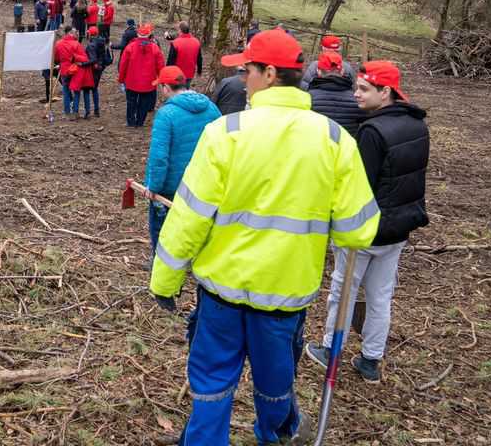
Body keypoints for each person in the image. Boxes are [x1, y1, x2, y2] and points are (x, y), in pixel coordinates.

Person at [149, 28, 379, 446]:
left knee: (212, 382)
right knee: (275, 382)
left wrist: (165, 280)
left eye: (248, 71)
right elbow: (359, 228)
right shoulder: (334, 140)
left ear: (270, 74)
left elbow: (188, 217)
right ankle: (276, 432)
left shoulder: (226, 133)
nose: (242, 80)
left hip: (222, 292)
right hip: (285, 295)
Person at [306, 60, 428, 384]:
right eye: (356, 87)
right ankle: (371, 359)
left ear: (385, 92)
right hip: (398, 229)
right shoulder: (418, 126)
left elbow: (359, 186)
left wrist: (339, 220)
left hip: (366, 230)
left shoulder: (372, 132)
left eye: (363, 89)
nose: (355, 95)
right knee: (380, 295)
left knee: (342, 290)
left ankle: (331, 349)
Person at [143, 66, 220, 250]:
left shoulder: (166, 115)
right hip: (202, 183)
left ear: (166, 88)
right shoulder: (211, 108)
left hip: (171, 188)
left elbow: (159, 157)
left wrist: (154, 187)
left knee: (162, 232)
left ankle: (162, 265)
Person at [305, 51, 363, 136]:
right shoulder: (358, 100)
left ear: (318, 71)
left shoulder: (306, 99)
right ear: (342, 71)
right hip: (348, 148)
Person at [118, 23, 165, 127]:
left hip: (131, 81)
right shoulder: (155, 48)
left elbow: (123, 65)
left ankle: (131, 122)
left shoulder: (130, 47)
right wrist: (161, 80)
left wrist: (121, 80)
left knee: (131, 102)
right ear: (149, 34)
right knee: (144, 104)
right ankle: (140, 122)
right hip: (148, 83)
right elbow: (160, 66)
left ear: (137, 34)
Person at [54, 27, 88, 118]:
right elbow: (85, 58)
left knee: (66, 91)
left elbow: (56, 58)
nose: (76, 34)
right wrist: (75, 57)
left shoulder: (58, 43)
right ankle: (75, 111)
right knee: (76, 91)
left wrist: (61, 62)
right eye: (74, 32)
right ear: (69, 33)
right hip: (75, 70)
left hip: (64, 70)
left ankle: (67, 112)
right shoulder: (76, 44)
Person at [84, 25, 112, 118]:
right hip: (100, 68)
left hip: (91, 69)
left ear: (90, 34)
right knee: (95, 89)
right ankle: (96, 111)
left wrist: (81, 64)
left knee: (87, 90)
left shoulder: (91, 45)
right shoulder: (102, 42)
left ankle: (87, 111)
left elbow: (92, 59)